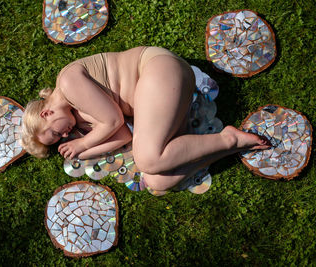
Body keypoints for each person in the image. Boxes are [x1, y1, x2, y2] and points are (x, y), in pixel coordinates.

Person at [21, 46, 270, 193]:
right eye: (60, 139)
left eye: (56, 133)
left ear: (46, 113)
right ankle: (230, 146)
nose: (65, 136)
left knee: (148, 158)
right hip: (160, 96)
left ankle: (227, 138)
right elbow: (122, 137)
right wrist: (82, 153)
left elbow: (113, 121)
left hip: (156, 70)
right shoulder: (78, 112)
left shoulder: (68, 83)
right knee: (157, 180)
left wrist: (83, 144)